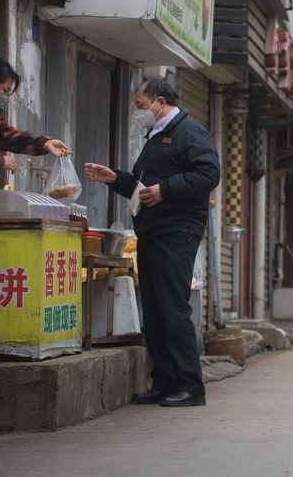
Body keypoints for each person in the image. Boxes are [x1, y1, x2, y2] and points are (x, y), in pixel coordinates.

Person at [85, 79, 220, 407]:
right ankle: (164, 381)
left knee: (173, 308)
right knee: (156, 311)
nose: (138, 112)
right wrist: (114, 178)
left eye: (140, 105)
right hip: (153, 232)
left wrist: (165, 190)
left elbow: (208, 174)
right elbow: (142, 186)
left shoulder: (189, 131)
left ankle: (191, 386)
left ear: (159, 101)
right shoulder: (156, 137)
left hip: (177, 231)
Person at [0, 58, 70, 194]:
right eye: (4, 90)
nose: (5, 97)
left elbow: (8, 137)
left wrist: (45, 143)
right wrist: (0, 161)